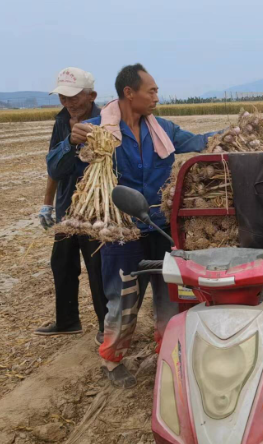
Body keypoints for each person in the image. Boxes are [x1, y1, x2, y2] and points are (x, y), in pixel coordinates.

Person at [47, 63, 223, 388]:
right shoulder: (97, 129)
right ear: (130, 93)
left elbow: (199, 142)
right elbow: (56, 167)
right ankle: (111, 361)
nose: (157, 96)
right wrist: (71, 143)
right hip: (122, 231)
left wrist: (230, 136)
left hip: (161, 228)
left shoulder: (164, 129)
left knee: (171, 297)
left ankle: (168, 352)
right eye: (151, 90)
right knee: (123, 300)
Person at [35, 68, 108, 346]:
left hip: (95, 208)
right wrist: (46, 204)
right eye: (62, 97)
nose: (67, 103)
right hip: (67, 205)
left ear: (91, 96)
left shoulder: (106, 121)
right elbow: (53, 165)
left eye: (73, 97)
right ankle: (67, 321)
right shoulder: (61, 121)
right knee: (62, 263)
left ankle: (105, 325)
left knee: (97, 265)